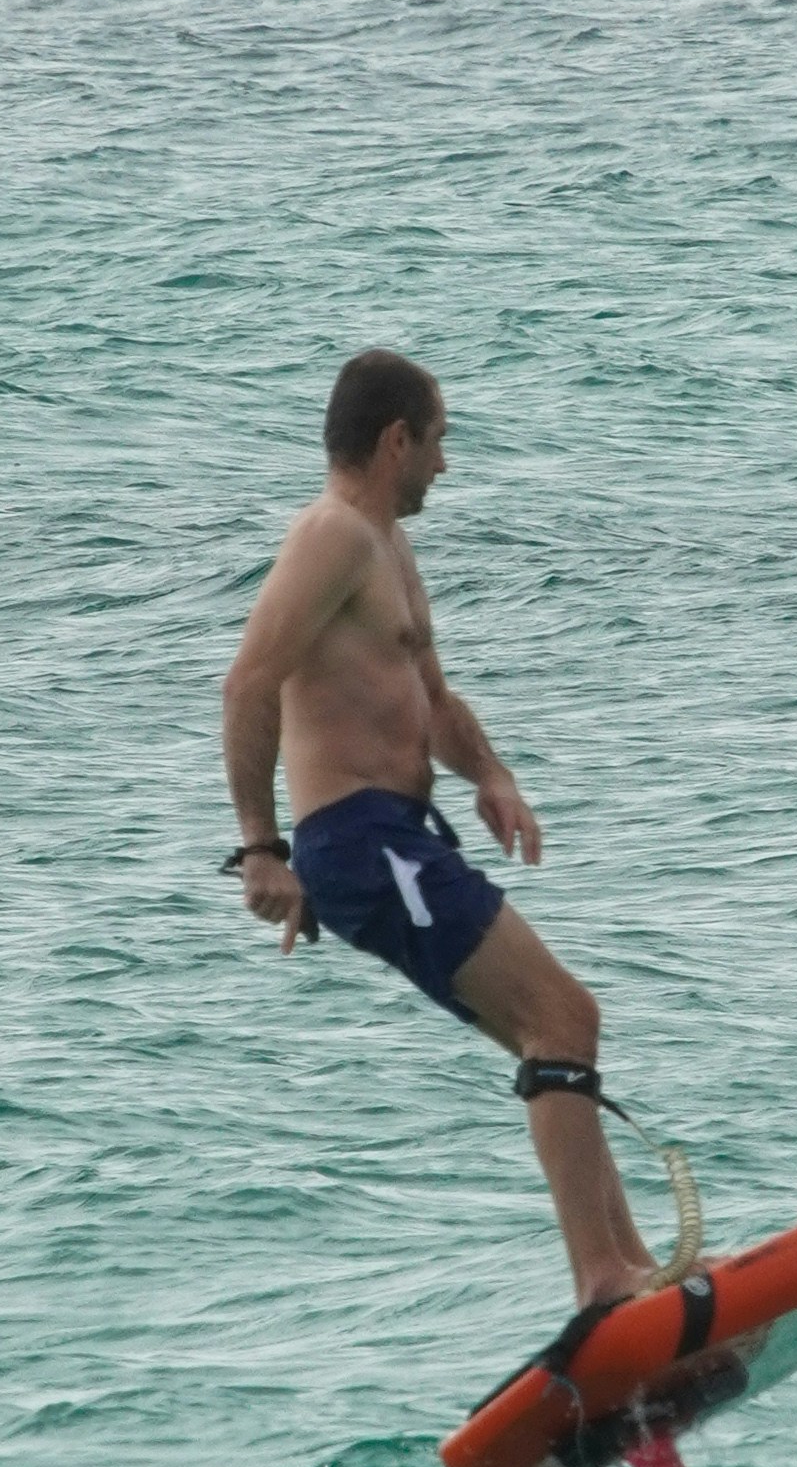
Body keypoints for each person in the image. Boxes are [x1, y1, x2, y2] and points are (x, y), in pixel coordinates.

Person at [221, 350, 654, 1312]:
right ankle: (604, 1280)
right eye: (439, 442)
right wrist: (261, 848)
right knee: (563, 1016)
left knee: (557, 1029)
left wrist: (491, 773)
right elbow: (248, 680)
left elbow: (434, 700)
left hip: (398, 837)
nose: (445, 465)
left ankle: (632, 1272)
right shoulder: (332, 536)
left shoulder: (386, 547)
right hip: (364, 840)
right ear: (396, 440)